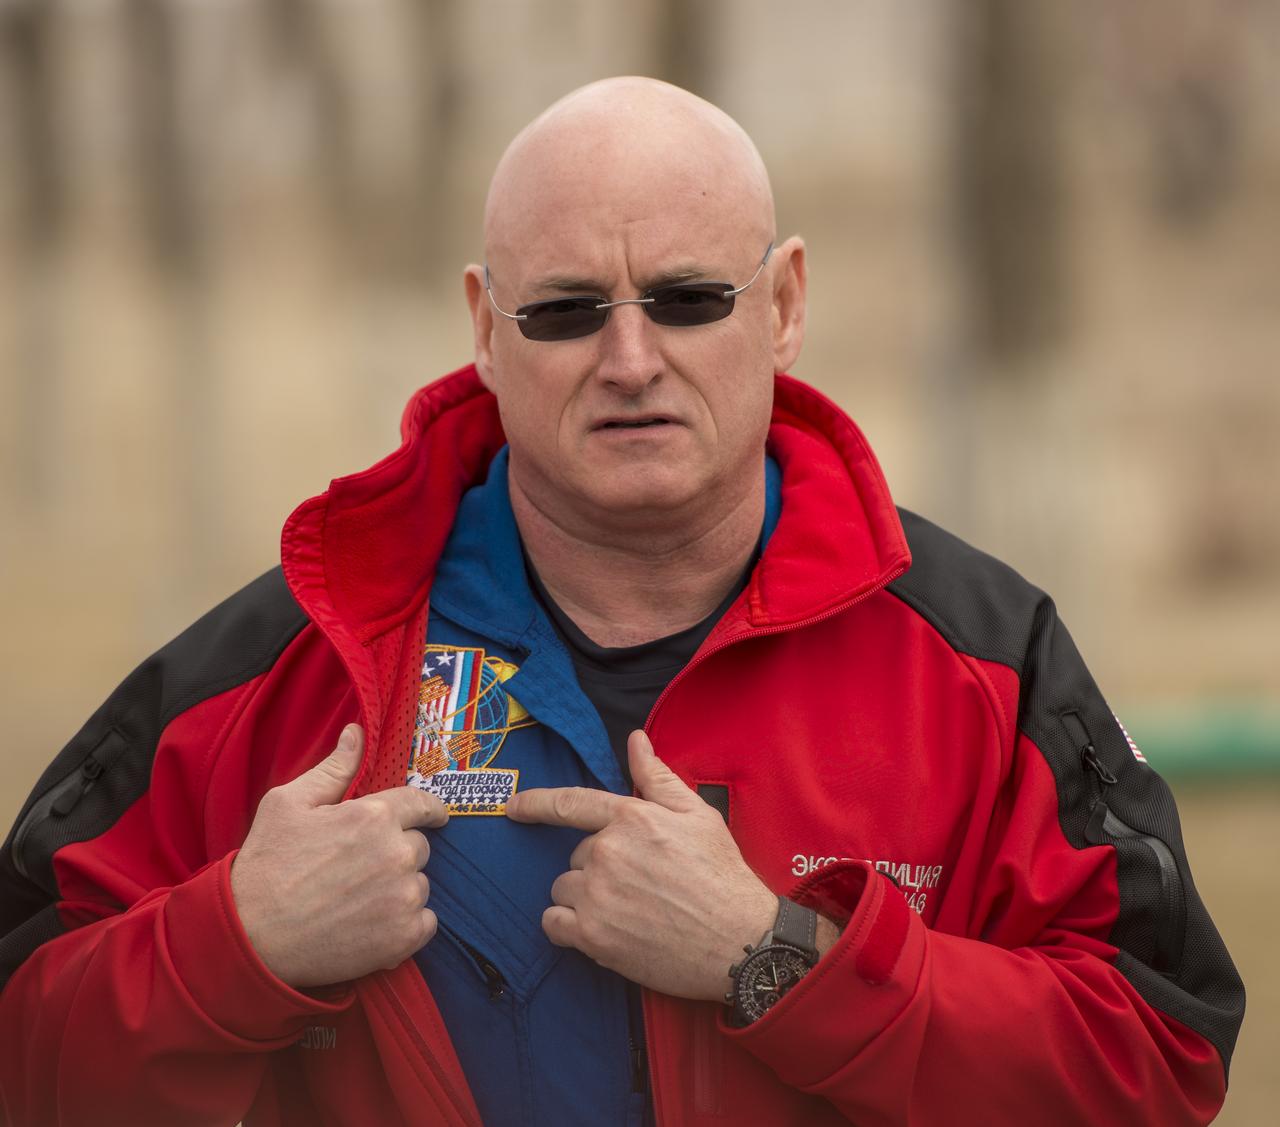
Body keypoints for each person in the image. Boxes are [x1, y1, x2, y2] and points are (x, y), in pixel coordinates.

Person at [0, 77, 1243, 1127]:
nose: (631, 359)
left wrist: (775, 957)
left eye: (689, 298)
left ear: (785, 304)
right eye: (566, 310)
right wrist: (235, 944)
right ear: (486, 329)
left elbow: (1156, 1058)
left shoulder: (978, 663)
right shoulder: (285, 668)